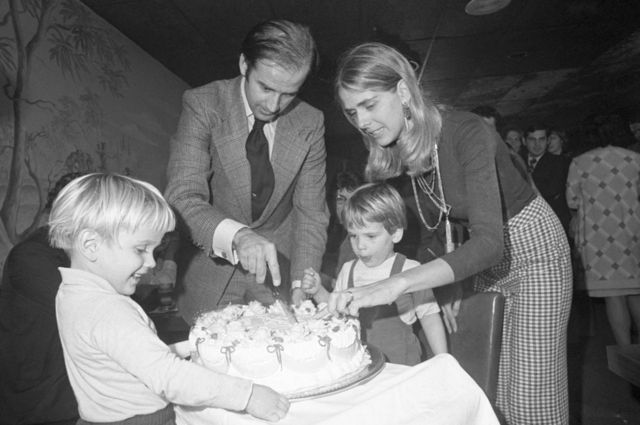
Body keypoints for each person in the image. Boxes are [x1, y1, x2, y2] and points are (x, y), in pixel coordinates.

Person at [331, 42, 572, 425]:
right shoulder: (395, 146)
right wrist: (449, 281)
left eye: (369, 104)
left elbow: (491, 242)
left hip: (532, 247)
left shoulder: (466, 131)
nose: (361, 121)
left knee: (531, 392)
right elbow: (427, 229)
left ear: (404, 91)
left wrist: (397, 284)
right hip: (479, 255)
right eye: (352, 111)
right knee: (492, 386)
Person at [50, 173, 290, 424]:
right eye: (140, 250)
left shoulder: (71, 294)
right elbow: (169, 377)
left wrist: (191, 345)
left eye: (154, 251)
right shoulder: (108, 309)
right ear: (91, 245)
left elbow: (123, 357)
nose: (152, 262)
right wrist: (248, 396)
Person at [165, 19, 329, 322]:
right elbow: (183, 196)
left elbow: (311, 214)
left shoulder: (311, 121)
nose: (274, 104)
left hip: (278, 278)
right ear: (244, 64)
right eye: (265, 87)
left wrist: (299, 284)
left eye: (289, 93)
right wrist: (239, 236)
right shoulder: (203, 104)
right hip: (208, 275)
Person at [301, 183, 447, 365]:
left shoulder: (410, 271)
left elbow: (430, 317)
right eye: (353, 236)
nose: (360, 245)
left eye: (370, 236)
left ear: (395, 234)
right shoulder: (349, 269)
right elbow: (335, 310)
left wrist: (443, 360)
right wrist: (318, 292)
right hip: (360, 365)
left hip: (400, 367)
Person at [0, 172, 83, 425]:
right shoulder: (32, 255)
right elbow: (89, 310)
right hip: (40, 406)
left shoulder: (71, 254)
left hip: (66, 399)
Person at [567, 115, 640, 346]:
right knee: (635, 291)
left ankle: (627, 358)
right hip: (633, 231)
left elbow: (572, 200)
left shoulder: (580, 162)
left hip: (598, 237)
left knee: (613, 295)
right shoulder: (635, 159)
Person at [522, 125, 572, 233]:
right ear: (524, 141)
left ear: (547, 141)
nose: (537, 144)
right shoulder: (516, 161)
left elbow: (551, 190)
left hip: (553, 224)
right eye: (532, 139)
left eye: (541, 139)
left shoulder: (559, 162)